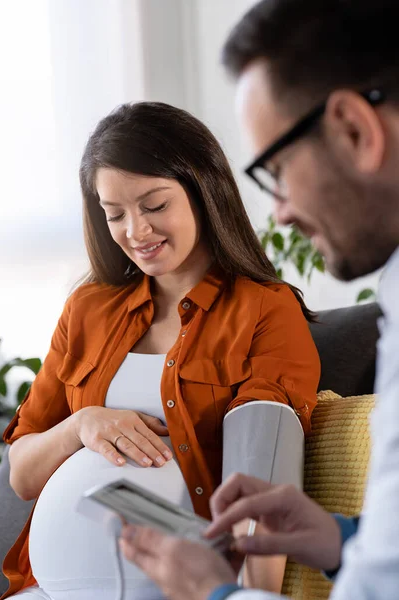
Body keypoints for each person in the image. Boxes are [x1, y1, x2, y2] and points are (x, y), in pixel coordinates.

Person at [118, 0, 399, 599]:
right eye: (113, 212)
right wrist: (342, 538)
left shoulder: (263, 311)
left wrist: (216, 594)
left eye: (278, 170)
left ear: (356, 130)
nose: (281, 211)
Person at [0, 101, 320, 600]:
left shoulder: (264, 309)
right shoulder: (86, 309)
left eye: (154, 205)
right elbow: (21, 474)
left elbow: (266, 463)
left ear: (202, 190)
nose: (136, 231)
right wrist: (83, 424)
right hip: (47, 589)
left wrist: (251, 597)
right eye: (115, 214)